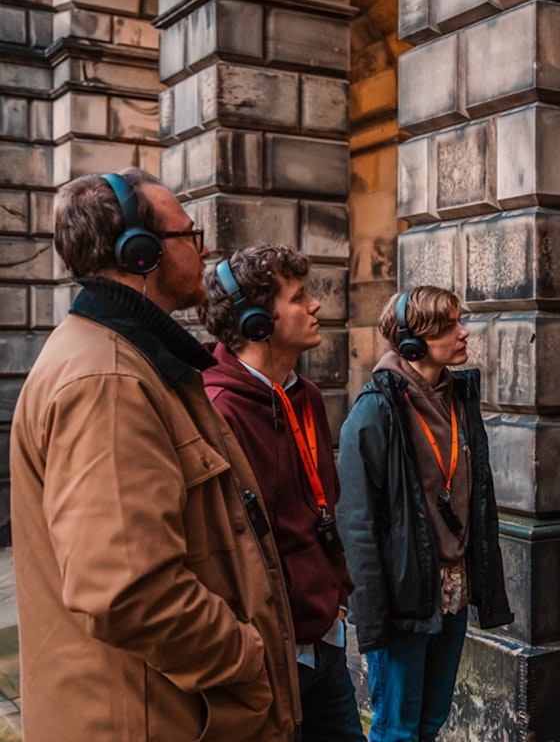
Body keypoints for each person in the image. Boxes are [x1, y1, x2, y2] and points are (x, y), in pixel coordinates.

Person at [9, 169, 301, 740]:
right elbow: (126, 590)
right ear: (139, 253)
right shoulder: (108, 380)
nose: (204, 250)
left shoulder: (121, 359)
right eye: (189, 236)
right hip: (148, 718)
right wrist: (249, 661)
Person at [199, 244, 363, 741]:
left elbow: (325, 504)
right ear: (256, 322)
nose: (315, 304)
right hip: (270, 655)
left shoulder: (306, 394)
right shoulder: (218, 409)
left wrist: (337, 598)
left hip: (326, 639)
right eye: (298, 297)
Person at [337, 286, 513, 742]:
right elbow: (356, 523)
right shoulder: (375, 410)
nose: (464, 332)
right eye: (450, 326)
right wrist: (372, 617)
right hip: (403, 599)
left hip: (452, 590)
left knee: (431, 721)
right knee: (397, 730)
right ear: (415, 343)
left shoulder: (458, 397)